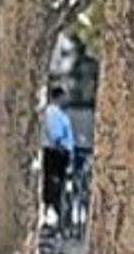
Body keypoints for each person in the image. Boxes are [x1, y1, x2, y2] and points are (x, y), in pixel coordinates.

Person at [42, 86, 75, 226]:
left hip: (59, 152)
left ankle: (60, 215)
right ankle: (56, 214)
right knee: (54, 184)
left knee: (60, 185)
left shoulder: (58, 113)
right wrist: (62, 147)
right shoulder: (52, 113)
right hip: (56, 153)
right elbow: (55, 133)